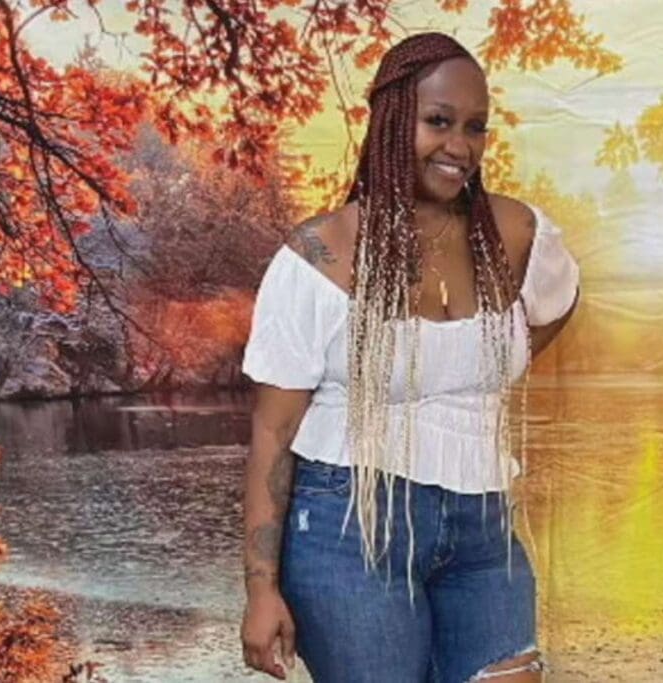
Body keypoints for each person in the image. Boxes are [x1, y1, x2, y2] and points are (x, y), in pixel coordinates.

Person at [239, 31, 579, 683]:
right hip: (348, 530)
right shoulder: (317, 256)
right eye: (439, 121)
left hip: (483, 531)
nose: (461, 146)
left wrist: (483, 366)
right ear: (394, 120)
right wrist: (261, 589)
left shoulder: (518, 234)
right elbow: (271, 433)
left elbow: (559, 304)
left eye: (476, 127)